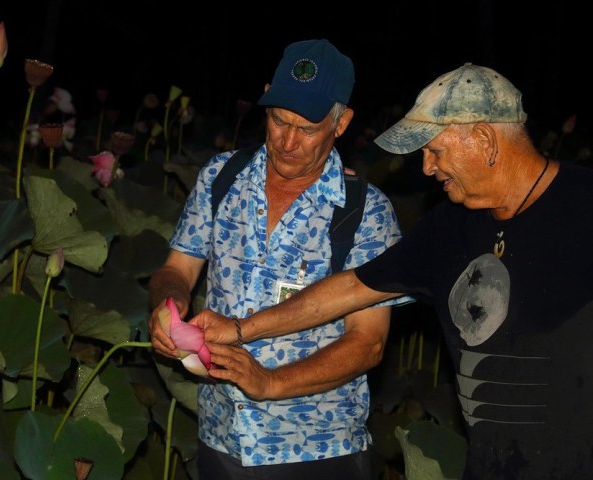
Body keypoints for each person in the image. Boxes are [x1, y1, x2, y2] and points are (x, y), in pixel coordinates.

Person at [193, 63, 593, 479]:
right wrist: (241, 330)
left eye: (435, 151)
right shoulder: (448, 227)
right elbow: (349, 289)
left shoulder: (583, 208)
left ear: (484, 140)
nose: (427, 168)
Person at [148, 39, 408, 479]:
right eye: (277, 120)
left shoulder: (366, 212)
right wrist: (167, 308)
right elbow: (177, 269)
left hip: (317, 448)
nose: (287, 141)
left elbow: (368, 343)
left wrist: (270, 383)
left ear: (341, 122)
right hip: (220, 435)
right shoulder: (221, 177)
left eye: (306, 128)